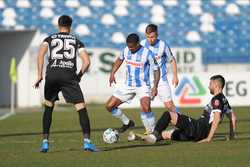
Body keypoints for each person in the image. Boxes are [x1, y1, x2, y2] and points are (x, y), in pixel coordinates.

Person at [34, 15, 97, 152]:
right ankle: (87, 142)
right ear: (71, 26)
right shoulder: (76, 41)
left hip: (52, 74)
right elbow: (87, 62)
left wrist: (39, 75)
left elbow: (40, 54)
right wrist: (79, 76)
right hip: (69, 75)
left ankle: (45, 142)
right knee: (80, 107)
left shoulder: (49, 39)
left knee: (49, 106)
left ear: (58, 25)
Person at [144, 75, 237, 143]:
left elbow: (216, 120)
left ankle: (154, 135)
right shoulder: (224, 100)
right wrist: (232, 136)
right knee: (167, 135)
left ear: (216, 85)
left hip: (198, 128)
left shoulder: (217, 100)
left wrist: (209, 138)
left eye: (210, 84)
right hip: (199, 134)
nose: (209, 86)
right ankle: (151, 137)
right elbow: (233, 118)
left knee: (168, 115)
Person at [105, 33, 160, 134]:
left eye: (132, 47)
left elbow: (156, 70)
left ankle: (152, 132)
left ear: (138, 44)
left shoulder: (147, 53)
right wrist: (113, 72)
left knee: (146, 107)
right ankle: (127, 123)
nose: (130, 49)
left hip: (143, 86)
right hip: (128, 85)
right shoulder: (126, 50)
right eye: (128, 46)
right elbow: (119, 59)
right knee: (109, 106)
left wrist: (155, 86)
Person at [141, 24, 179, 113]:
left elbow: (172, 60)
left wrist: (175, 76)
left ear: (157, 35)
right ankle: (150, 127)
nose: (150, 39)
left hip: (161, 79)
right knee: (145, 106)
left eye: (152, 37)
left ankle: (182, 123)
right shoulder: (142, 44)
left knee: (169, 105)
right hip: (146, 80)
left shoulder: (163, 45)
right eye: (148, 37)